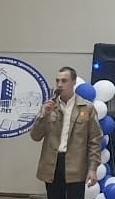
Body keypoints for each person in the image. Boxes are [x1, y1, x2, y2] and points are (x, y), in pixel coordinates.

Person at [31, 67, 103, 199]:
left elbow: (95, 140)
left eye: (64, 81)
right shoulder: (49, 107)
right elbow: (35, 136)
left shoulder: (86, 108)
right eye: (57, 80)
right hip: (52, 164)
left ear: (73, 82)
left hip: (76, 165)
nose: (59, 84)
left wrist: (93, 168)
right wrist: (44, 116)